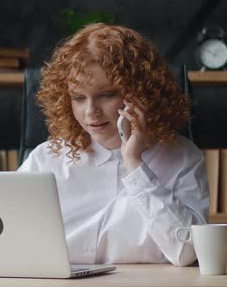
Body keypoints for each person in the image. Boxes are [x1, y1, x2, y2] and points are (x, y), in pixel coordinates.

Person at [18, 23, 209, 266]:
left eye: (107, 95)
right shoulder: (46, 159)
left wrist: (135, 164)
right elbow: (12, 242)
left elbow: (186, 252)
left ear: (140, 93)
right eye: (78, 98)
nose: (91, 112)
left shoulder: (182, 157)